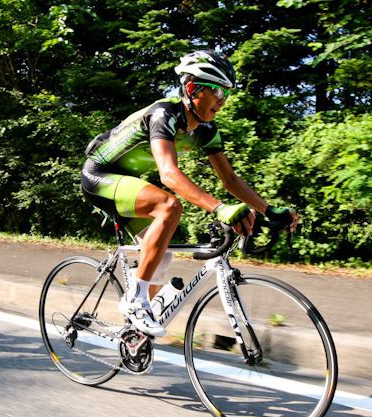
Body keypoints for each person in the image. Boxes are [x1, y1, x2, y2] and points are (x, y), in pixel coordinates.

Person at [81, 50, 299, 337]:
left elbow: (230, 179)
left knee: (164, 254)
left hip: (128, 180)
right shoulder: (164, 113)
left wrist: (269, 211)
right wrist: (220, 209)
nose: (222, 99)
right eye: (217, 90)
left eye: (226, 93)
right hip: (99, 175)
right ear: (193, 89)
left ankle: (133, 331)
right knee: (168, 206)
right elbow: (168, 174)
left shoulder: (206, 129)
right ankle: (135, 301)